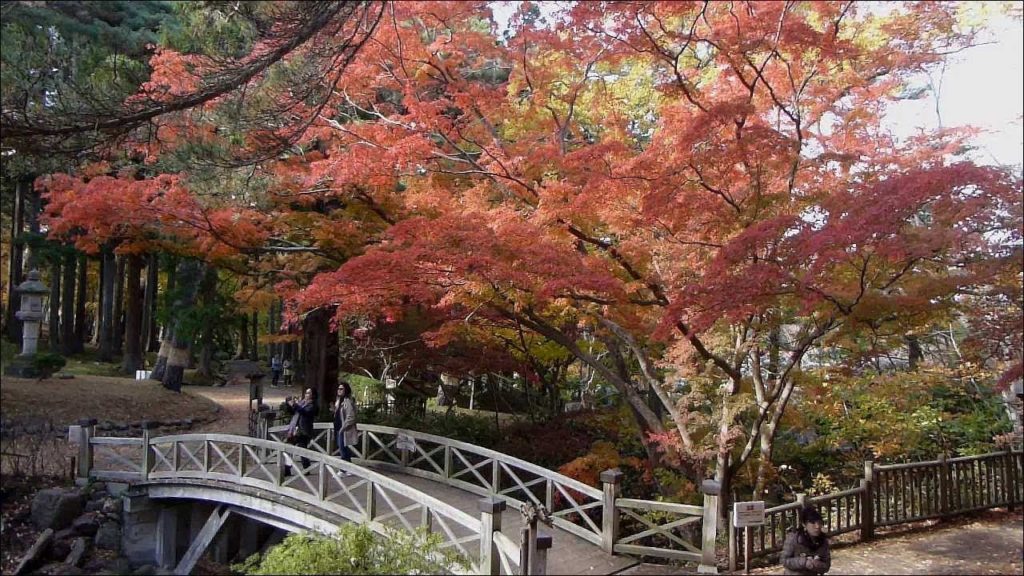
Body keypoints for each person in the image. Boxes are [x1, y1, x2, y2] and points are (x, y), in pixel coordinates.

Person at [781, 506, 831, 575]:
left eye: (819, 523)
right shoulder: (794, 538)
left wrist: (816, 564)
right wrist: (804, 562)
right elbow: (784, 560)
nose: (817, 526)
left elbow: (826, 566)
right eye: (813, 523)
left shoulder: (823, 541)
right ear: (804, 524)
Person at [284, 388, 317, 476]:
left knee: (302, 450)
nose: (306, 395)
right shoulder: (301, 403)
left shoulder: (312, 405)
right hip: (295, 430)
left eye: (309, 393)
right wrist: (289, 404)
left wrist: (295, 405)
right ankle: (287, 469)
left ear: (313, 395)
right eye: (306, 393)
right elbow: (293, 412)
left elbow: (304, 412)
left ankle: (307, 469)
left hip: (304, 431)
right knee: (289, 449)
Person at [333, 381, 358, 463]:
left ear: (346, 390)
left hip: (343, 430)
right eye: (338, 389)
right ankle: (348, 468)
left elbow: (351, 417)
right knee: (343, 449)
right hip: (338, 428)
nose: (339, 390)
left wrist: (343, 428)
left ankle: (344, 470)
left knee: (343, 449)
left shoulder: (347, 401)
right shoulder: (339, 401)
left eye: (341, 389)